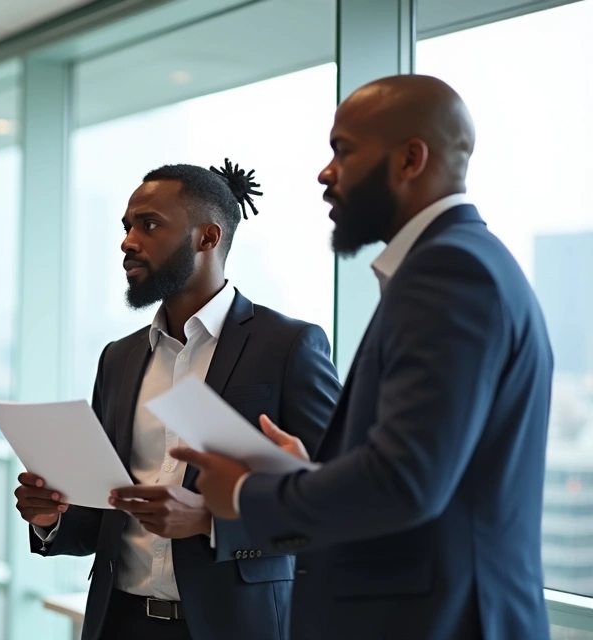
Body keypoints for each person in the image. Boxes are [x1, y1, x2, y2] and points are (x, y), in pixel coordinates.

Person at [173, 75, 553, 640]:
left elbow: (406, 481)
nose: (326, 173)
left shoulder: (449, 272)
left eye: (342, 150)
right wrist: (307, 475)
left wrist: (247, 494)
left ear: (410, 159)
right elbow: (423, 466)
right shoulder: (458, 264)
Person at [14, 163, 341, 640]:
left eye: (148, 224)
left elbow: (332, 508)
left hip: (235, 626)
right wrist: (52, 518)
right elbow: (102, 514)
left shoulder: (289, 347)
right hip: (118, 624)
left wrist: (210, 523)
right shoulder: (119, 358)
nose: (128, 241)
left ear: (207, 237)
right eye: (126, 226)